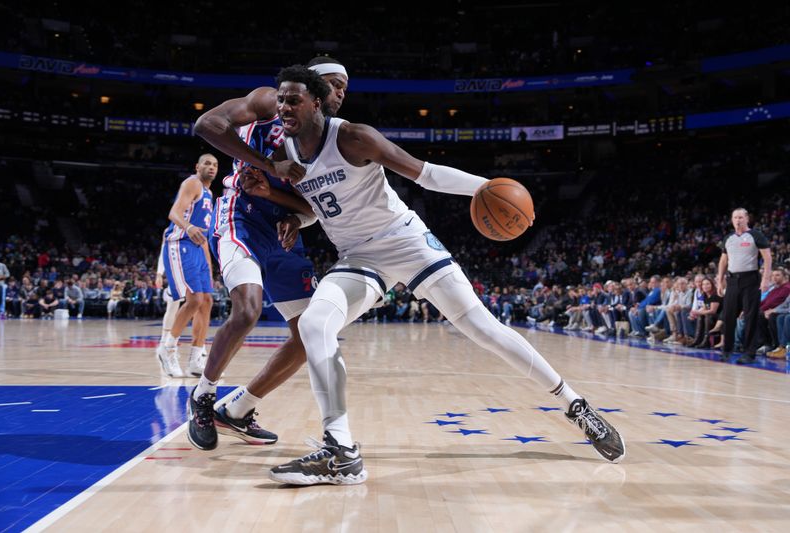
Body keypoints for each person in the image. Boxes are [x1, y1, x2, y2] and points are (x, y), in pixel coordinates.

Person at [265, 66, 624, 485]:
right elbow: (322, 205)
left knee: (482, 328)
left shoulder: (353, 136)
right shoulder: (281, 152)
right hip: (358, 256)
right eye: (281, 99)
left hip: (405, 241)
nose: (285, 106)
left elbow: (426, 173)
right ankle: (341, 451)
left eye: (294, 99)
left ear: (315, 102)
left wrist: (485, 187)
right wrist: (295, 217)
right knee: (314, 322)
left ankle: (575, 405)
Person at [185, 58, 349, 451]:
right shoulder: (268, 102)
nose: (339, 93)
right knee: (247, 310)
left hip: (281, 233)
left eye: (344, 87)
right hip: (240, 216)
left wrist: (289, 210)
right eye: (332, 84)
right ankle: (204, 396)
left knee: (309, 335)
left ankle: (239, 408)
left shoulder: (330, 142)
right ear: (308, 87)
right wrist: (266, 164)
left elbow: (311, 209)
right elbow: (206, 125)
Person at [155, 154, 218, 378]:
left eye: (215, 165)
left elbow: (204, 238)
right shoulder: (192, 183)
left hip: (197, 250)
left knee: (207, 301)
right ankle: (168, 348)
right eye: (207, 163)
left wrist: (209, 268)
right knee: (194, 300)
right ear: (197, 166)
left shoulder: (210, 194)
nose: (211, 167)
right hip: (179, 243)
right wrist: (189, 227)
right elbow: (174, 213)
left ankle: (195, 358)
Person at [716, 208, 772, 364]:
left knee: (750, 317)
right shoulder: (728, 238)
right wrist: (720, 280)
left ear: (747, 218)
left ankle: (749, 353)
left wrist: (766, 279)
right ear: (732, 220)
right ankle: (727, 351)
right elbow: (723, 261)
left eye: (741, 217)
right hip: (732, 280)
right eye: (735, 217)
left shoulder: (756, 235)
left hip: (751, 279)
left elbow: (767, 257)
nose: (738, 220)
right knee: (728, 316)